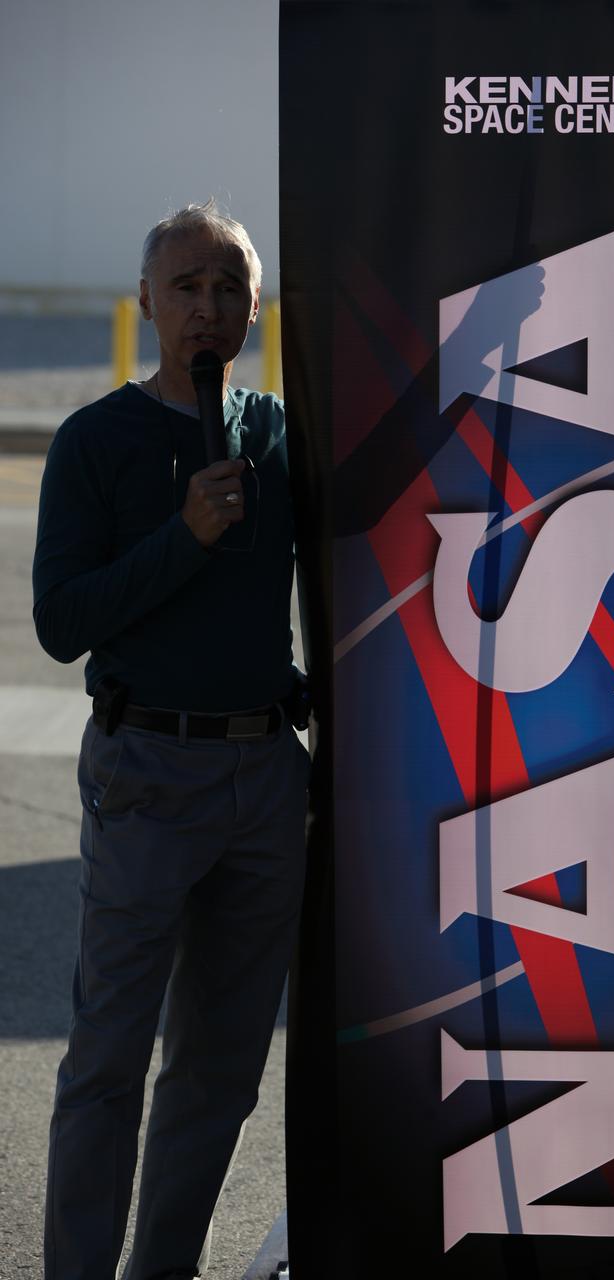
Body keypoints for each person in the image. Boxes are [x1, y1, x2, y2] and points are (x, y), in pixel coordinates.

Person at [34, 201, 310, 1280]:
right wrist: (183, 537)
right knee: (107, 1059)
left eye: (229, 287)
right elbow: (62, 621)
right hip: (146, 772)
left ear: (255, 308)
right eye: (186, 286)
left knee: (219, 1071)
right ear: (145, 300)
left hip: (263, 780)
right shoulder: (95, 440)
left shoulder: (277, 433)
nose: (207, 306)